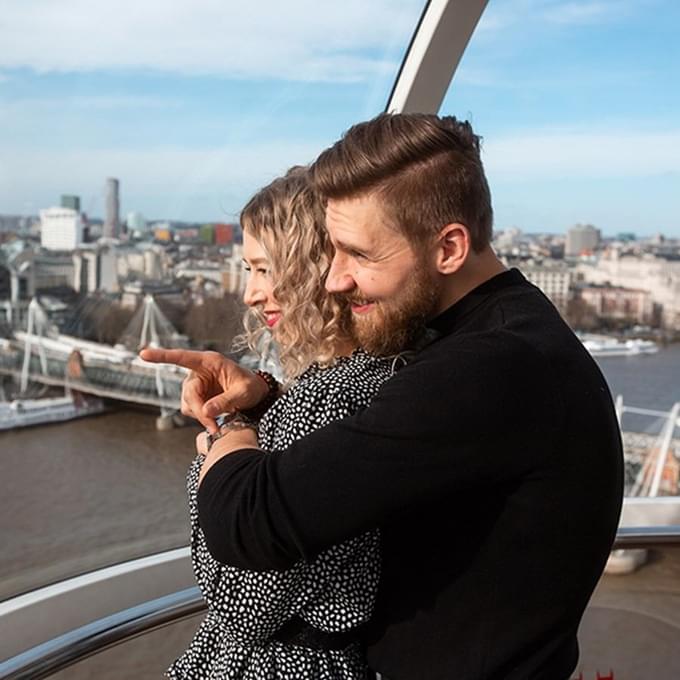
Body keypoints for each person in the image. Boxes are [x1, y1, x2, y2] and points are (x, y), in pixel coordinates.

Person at [146, 113, 624, 680]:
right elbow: (377, 457)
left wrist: (228, 437)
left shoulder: (485, 369)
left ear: (449, 247)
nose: (332, 279)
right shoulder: (506, 331)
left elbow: (252, 521)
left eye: (359, 255)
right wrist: (264, 402)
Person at [153, 168, 404, 679]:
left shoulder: (326, 400)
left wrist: (225, 445)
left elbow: (241, 607)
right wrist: (263, 397)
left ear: (314, 267)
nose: (250, 293)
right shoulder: (375, 373)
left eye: (264, 269)